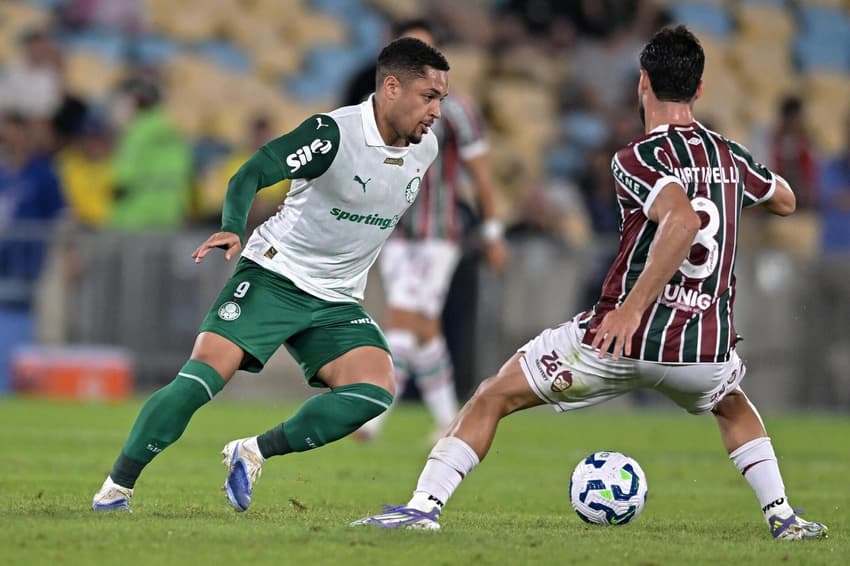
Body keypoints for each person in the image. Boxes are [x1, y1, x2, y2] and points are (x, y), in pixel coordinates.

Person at [351, 26, 828, 541]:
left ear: (642, 83)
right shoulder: (728, 156)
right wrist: (730, 179)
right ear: (700, 89)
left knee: (493, 395)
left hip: (618, 340)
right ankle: (783, 517)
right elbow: (785, 200)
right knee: (732, 404)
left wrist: (631, 309)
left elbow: (683, 220)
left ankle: (424, 507)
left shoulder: (638, 157)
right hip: (701, 349)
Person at [91, 37, 450, 513]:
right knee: (202, 378)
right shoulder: (332, 134)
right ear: (391, 88)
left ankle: (252, 451)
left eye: (441, 99)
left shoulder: (426, 149)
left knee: (374, 390)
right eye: (429, 97)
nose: (437, 111)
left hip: (337, 297)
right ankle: (116, 488)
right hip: (275, 274)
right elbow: (252, 172)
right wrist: (232, 226)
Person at [350, 21, 508, 442]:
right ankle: (450, 421)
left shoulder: (456, 110)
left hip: (439, 233)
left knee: (403, 316)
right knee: (423, 327)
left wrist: (493, 231)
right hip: (392, 230)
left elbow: (481, 174)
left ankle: (372, 417)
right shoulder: (374, 107)